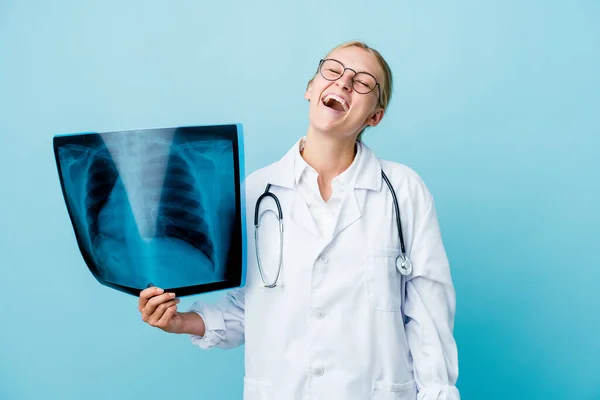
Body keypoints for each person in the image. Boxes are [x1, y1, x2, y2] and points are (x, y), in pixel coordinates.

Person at [138, 40, 460, 400]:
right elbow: (251, 309)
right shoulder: (254, 193)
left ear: (375, 116)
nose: (343, 83)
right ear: (311, 89)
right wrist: (181, 322)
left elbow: (430, 320)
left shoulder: (404, 192)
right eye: (333, 71)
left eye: (363, 82)